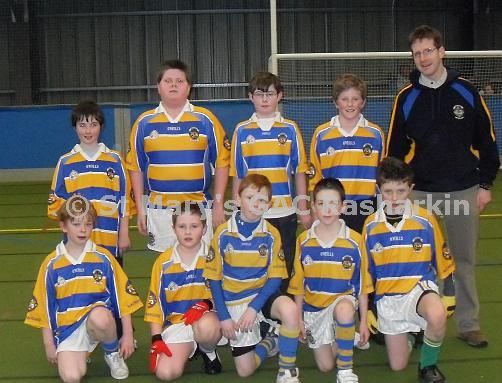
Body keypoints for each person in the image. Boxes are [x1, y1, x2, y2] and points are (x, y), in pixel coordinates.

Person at [386, 25, 500, 348]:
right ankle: (418, 324)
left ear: (441, 51)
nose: (423, 58)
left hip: (463, 189)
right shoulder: (406, 98)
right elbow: (395, 149)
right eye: (417, 53)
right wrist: (392, 190)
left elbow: (487, 140)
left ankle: (468, 324)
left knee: (463, 261)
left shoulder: (466, 91)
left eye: (428, 51)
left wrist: (485, 184)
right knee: (417, 261)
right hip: (420, 191)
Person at [203, 174, 309, 383]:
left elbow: (275, 278)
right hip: (234, 301)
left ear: (269, 205)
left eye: (262, 200)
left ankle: (287, 374)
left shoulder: (271, 234)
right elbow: (213, 278)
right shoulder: (223, 233)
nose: (255, 204)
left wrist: (254, 308)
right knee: (245, 370)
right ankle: (272, 340)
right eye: (250, 197)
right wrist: (224, 317)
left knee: (290, 309)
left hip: (262, 296)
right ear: (237, 199)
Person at [24, 195, 143, 383]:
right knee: (72, 377)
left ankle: (112, 353)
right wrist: (48, 344)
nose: (82, 229)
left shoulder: (104, 258)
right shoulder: (51, 264)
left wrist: (128, 334)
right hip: (68, 328)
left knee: (101, 317)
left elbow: (123, 298)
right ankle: (83, 351)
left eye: (88, 224)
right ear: (63, 226)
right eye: (76, 224)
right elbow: (45, 307)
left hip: (97, 319)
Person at [363, 157, 456, 383]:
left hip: (418, 289)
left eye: (401, 191)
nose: (394, 198)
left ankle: (428, 366)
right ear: (378, 190)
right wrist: (370, 308)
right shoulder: (371, 226)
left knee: (437, 314)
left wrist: (449, 293)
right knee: (398, 365)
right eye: (388, 191)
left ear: (411, 189)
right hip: (388, 298)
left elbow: (443, 259)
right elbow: (366, 273)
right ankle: (414, 333)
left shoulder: (425, 220)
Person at [127, 59, 230, 252]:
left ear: (189, 88)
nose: (173, 85)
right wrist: (141, 209)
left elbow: (222, 164)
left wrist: (218, 204)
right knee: (166, 265)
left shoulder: (206, 120)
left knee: (200, 264)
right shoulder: (144, 123)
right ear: (158, 87)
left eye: (179, 81)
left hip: (199, 209)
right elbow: (136, 168)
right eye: (168, 81)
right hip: (159, 211)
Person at [288, 178, 371, 383]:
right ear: (313, 206)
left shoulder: (354, 240)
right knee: (325, 366)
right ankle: (346, 336)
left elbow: (363, 285)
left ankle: (346, 372)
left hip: (341, 301)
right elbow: (298, 286)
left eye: (333, 203)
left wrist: (363, 320)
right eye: (321, 203)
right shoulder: (304, 241)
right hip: (314, 309)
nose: (327, 210)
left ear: (343, 206)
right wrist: (299, 319)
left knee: (344, 310)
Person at [230, 71, 311, 284]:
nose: (265, 99)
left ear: (279, 96)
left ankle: (283, 305)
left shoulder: (290, 129)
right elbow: (238, 174)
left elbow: (299, 172)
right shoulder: (242, 130)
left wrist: (303, 209)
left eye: (270, 94)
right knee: (255, 268)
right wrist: (237, 210)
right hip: (253, 212)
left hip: (285, 212)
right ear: (251, 97)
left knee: (284, 270)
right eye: (259, 94)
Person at [145, 202, 222, 380]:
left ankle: (208, 350)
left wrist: (208, 303)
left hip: (207, 320)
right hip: (178, 324)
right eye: (182, 227)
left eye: (194, 226)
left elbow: (227, 294)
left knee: (207, 327)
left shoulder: (214, 258)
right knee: (165, 374)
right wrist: (156, 338)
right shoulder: (163, 263)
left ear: (204, 229)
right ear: (173, 228)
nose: (188, 232)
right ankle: (190, 347)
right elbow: (155, 304)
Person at [48, 100, 132, 262]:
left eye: (93, 125)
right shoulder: (65, 162)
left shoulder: (115, 160)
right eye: (82, 125)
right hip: (77, 245)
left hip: (110, 240)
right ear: (75, 127)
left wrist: (124, 233)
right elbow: (57, 204)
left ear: (101, 126)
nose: (88, 131)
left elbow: (124, 199)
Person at [308, 73, 385, 234]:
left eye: (355, 99)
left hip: (368, 206)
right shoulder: (322, 134)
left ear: (363, 102)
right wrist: (315, 212)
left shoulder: (375, 134)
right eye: (344, 99)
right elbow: (315, 177)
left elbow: (383, 176)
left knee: (365, 248)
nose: (350, 104)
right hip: (332, 206)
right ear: (336, 102)